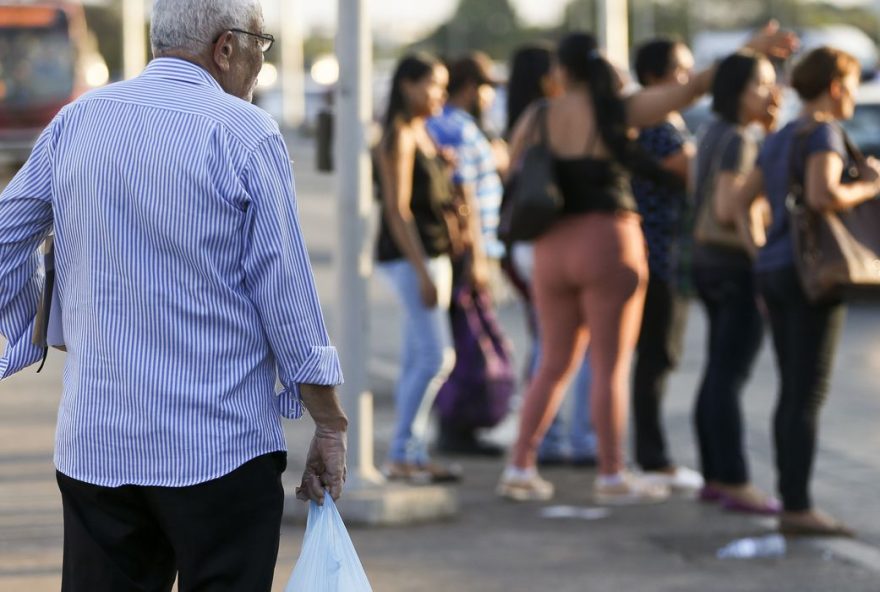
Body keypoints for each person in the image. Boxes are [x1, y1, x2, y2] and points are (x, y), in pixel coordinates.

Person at [0, 1, 347, 589]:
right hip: (219, 451)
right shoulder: (244, 132)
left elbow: (7, 236)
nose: (262, 64)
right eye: (262, 45)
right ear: (226, 47)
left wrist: (42, 325)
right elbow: (287, 299)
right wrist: (330, 425)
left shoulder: (79, 120)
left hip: (96, 446)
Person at [497, 31, 715, 504]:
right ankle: (612, 474)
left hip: (551, 245)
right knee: (609, 365)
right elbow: (691, 90)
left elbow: (510, 169)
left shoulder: (539, 115)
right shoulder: (616, 110)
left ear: (560, 71)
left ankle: (520, 466)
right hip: (608, 241)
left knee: (551, 363)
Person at [735, 46, 880, 536]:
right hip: (810, 275)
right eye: (853, 85)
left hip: (777, 269)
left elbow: (737, 201)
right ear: (837, 86)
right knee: (806, 392)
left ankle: (791, 498)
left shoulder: (778, 137)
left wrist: (760, 251)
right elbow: (824, 195)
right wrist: (871, 186)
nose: (853, 97)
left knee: (791, 390)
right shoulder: (822, 131)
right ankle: (797, 506)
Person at [691, 51, 782, 514]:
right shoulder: (738, 140)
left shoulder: (713, 133)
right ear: (735, 90)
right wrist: (761, 260)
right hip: (733, 266)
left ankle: (713, 476)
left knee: (717, 371)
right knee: (729, 374)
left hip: (707, 265)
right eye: (761, 84)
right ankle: (733, 479)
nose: (770, 93)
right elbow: (730, 210)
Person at [504, 43, 597, 468]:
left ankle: (548, 435)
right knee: (574, 343)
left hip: (526, 238)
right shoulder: (563, 112)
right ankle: (578, 437)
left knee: (547, 339)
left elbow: (509, 169)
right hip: (564, 237)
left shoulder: (527, 115)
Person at [374, 54, 461, 483]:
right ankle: (402, 451)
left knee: (417, 357)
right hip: (413, 258)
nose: (441, 95)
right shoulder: (399, 136)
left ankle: (412, 452)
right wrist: (422, 271)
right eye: (434, 85)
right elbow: (397, 210)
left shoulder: (422, 131)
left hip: (435, 255)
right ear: (408, 86)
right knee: (435, 357)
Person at [629, 37, 703, 492]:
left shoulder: (658, 122)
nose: (689, 80)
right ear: (657, 75)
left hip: (663, 255)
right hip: (658, 258)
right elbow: (695, 175)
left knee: (658, 358)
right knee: (657, 358)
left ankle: (648, 455)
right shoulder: (657, 127)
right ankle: (652, 458)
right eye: (682, 70)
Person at [427, 52, 509, 457]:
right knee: (467, 342)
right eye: (489, 88)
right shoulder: (455, 127)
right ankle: (455, 427)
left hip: (464, 249)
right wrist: (476, 256)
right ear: (474, 88)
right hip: (467, 250)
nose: (491, 97)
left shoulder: (451, 125)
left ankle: (458, 425)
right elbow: (464, 197)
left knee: (464, 340)